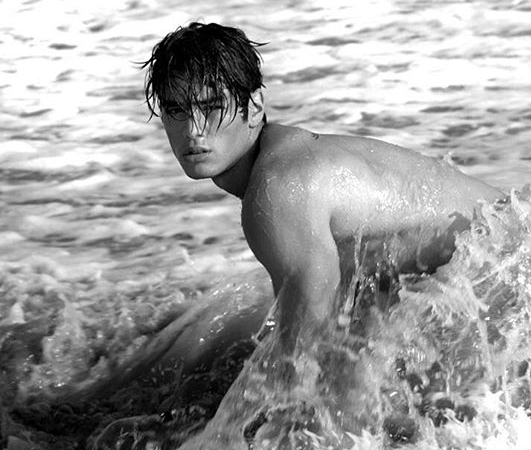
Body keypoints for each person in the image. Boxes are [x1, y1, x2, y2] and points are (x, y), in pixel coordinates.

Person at [141, 22, 505, 370]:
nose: (193, 129)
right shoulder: (286, 159)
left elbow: (306, 353)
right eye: (176, 110)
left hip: (510, 263)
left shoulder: (278, 190)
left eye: (211, 107)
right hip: (506, 251)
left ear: (254, 107)